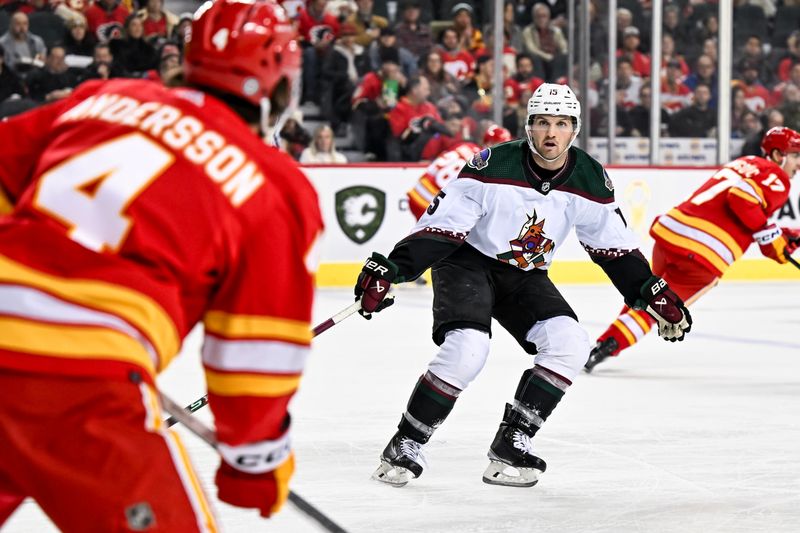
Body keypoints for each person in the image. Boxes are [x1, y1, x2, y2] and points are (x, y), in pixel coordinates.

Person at [0, 0, 323, 529]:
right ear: (280, 84)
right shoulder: (273, 184)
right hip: (81, 388)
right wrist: (254, 465)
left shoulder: (105, 97)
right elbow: (257, 348)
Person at [353, 83, 692, 488]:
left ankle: (511, 443)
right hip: (466, 263)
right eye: (543, 123)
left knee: (570, 343)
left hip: (525, 275)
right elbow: (442, 228)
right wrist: (393, 268)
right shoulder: (491, 165)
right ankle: (405, 443)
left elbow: (613, 246)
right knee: (468, 349)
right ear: (528, 127)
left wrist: (649, 290)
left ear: (575, 129)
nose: (552, 133)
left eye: (562, 124)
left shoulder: (589, 178)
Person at [585, 126, 800, 372]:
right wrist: (775, 244)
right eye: (794, 156)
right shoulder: (778, 178)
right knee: (662, 308)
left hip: (672, 232)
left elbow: (745, 217)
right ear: (777, 155)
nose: (798, 164)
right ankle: (608, 345)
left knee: (647, 292)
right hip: (703, 255)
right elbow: (742, 198)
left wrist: (780, 237)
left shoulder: (745, 162)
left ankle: (606, 340)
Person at [407, 124, 512, 219]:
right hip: (431, 204)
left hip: (417, 192)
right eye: (502, 145)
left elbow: (434, 168)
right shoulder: (486, 163)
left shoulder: (465, 146)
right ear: (489, 144)